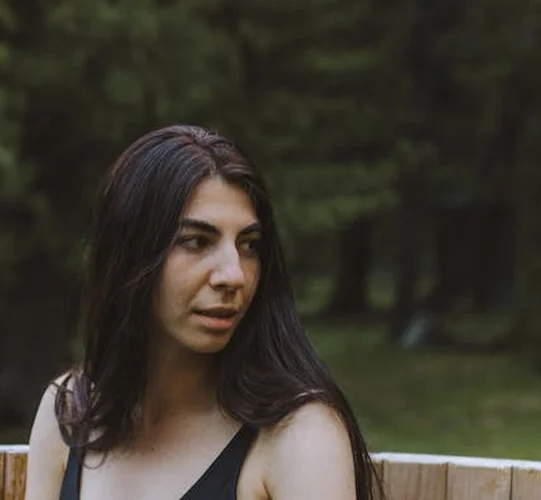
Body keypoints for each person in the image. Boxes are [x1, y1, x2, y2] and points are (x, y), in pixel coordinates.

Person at [25, 124, 385, 500]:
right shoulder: (69, 411)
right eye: (197, 241)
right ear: (130, 256)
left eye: (249, 245)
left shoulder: (298, 436)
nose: (234, 275)